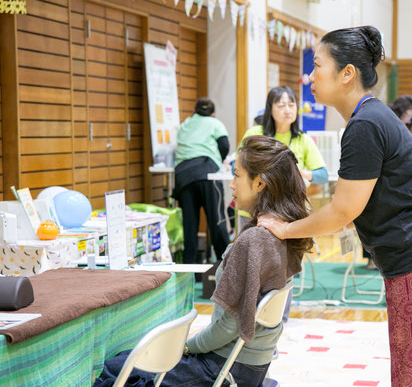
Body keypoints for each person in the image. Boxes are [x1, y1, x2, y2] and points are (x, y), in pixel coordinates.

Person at [258, 26, 412, 387]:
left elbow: (343, 212)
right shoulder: (369, 118)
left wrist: (284, 229)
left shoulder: (365, 124)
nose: (310, 76)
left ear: (347, 74)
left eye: (319, 65)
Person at [93, 136, 313, 387]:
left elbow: (229, 327)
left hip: (222, 368)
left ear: (260, 182)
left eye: (237, 176)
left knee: (114, 369)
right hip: (251, 367)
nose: (231, 185)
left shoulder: (254, 240)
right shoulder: (285, 232)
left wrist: (186, 347)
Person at [172, 98, 230, 264]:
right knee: (216, 220)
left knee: (189, 225)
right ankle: (225, 264)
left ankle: (190, 269)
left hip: (183, 176)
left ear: (195, 111)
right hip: (207, 173)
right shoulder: (215, 123)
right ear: (212, 113)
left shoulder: (185, 125)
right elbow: (224, 145)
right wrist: (220, 161)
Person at [240, 86, 328, 186]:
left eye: (291, 105)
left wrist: (303, 173)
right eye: (281, 106)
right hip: (258, 196)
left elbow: (323, 176)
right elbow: (237, 166)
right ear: (270, 109)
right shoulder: (254, 134)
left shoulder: (303, 139)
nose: (287, 111)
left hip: (291, 199)